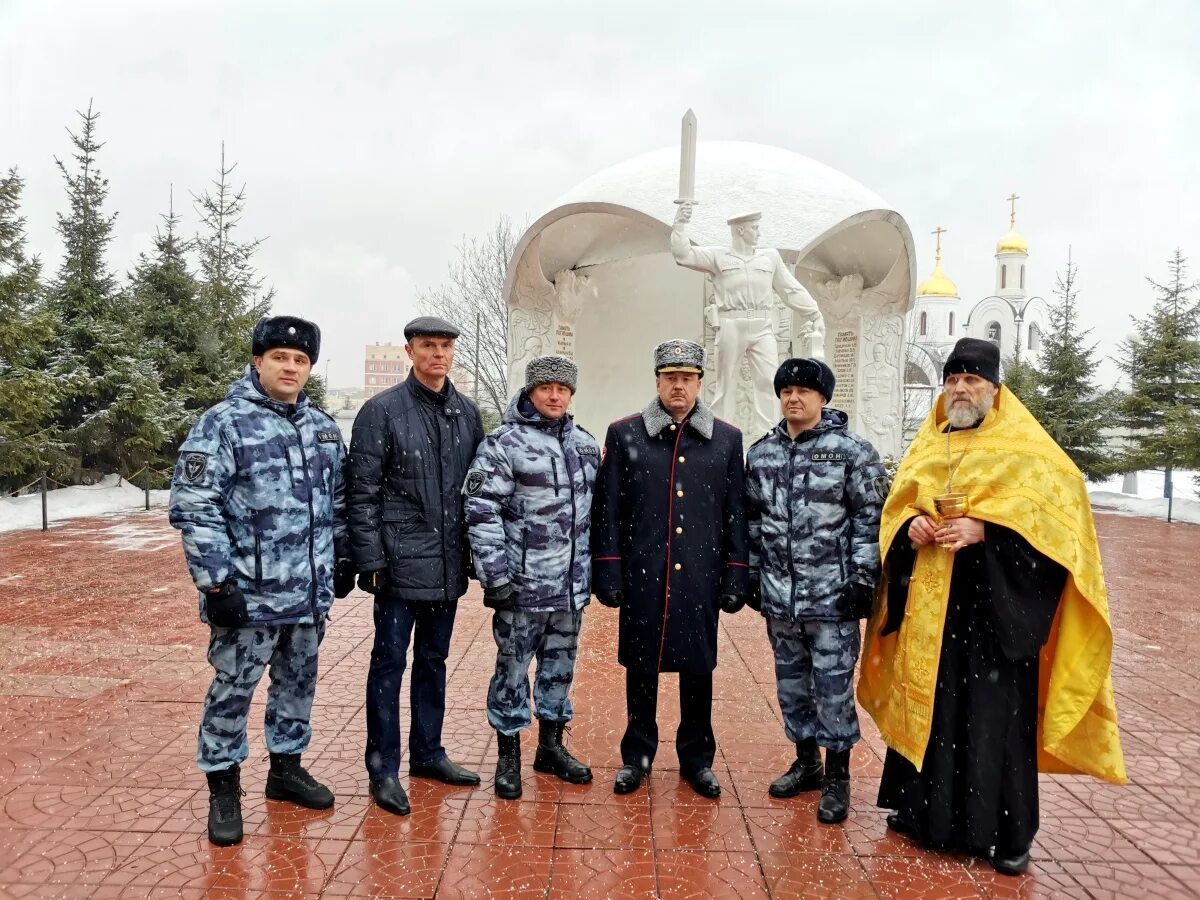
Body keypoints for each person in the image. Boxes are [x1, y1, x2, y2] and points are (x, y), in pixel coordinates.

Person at [857, 337, 1127, 876]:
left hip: (995, 614)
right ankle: (922, 814)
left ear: (994, 391)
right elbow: (896, 511)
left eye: (972, 380)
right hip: (930, 616)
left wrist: (989, 531)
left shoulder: (1031, 454)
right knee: (930, 713)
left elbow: (1059, 533)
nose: (960, 389)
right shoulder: (929, 446)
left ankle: (1007, 833)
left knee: (995, 722)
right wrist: (910, 529)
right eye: (953, 380)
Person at [169, 315, 354, 846]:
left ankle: (285, 770)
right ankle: (223, 789)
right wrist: (217, 585)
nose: (290, 367)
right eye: (280, 357)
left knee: (298, 686)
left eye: (300, 360)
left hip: (306, 596)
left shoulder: (321, 427)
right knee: (232, 691)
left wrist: (339, 559)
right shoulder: (223, 424)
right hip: (246, 596)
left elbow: (336, 503)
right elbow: (194, 505)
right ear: (258, 361)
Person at [591, 339, 748, 798]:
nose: (678, 386)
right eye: (670, 377)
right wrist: (609, 571)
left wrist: (736, 573)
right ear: (657, 380)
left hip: (700, 577)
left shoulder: (725, 439)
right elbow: (608, 511)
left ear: (700, 382)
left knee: (699, 671)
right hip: (644, 572)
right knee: (640, 668)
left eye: (687, 377)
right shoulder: (625, 435)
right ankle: (636, 756)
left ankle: (696, 759)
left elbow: (735, 512)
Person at [347, 315, 485, 817]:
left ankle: (429, 753)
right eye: (428, 346)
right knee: (388, 665)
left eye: (445, 346)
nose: (438, 355)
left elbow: (478, 492)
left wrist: (473, 556)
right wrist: (371, 559)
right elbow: (361, 493)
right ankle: (383, 768)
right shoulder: (381, 412)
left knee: (434, 663)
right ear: (409, 352)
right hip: (399, 569)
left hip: (448, 566)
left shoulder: (467, 414)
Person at [745, 358, 885, 823]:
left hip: (833, 596)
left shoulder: (852, 452)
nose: (794, 397)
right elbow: (751, 522)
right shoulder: (761, 454)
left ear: (823, 397)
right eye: (786, 389)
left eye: (805, 390)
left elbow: (869, 520)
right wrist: (750, 574)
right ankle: (806, 763)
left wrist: (864, 579)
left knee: (832, 688)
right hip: (780, 599)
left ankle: (838, 776)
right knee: (792, 687)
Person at [465, 355, 599, 799]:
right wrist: (495, 576)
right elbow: (482, 511)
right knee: (512, 670)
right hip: (521, 588)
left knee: (560, 669)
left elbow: (596, 515)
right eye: (547, 388)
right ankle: (508, 755)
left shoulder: (584, 444)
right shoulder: (504, 443)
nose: (555, 396)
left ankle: (551, 747)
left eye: (564, 389)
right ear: (530, 392)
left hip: (569, 589)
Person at [670, 201, 826, 438]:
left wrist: (813, 312)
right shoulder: (719, 256)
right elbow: (683, 255)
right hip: (731, 324)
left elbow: (790, 290)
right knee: (725, 385)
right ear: (740, 230)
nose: (759, 233)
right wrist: (680, 224)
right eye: (755, 228)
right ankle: (719, 438)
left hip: (763, 326)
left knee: (770, 382)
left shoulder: (769, 258)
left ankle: (771, 437)